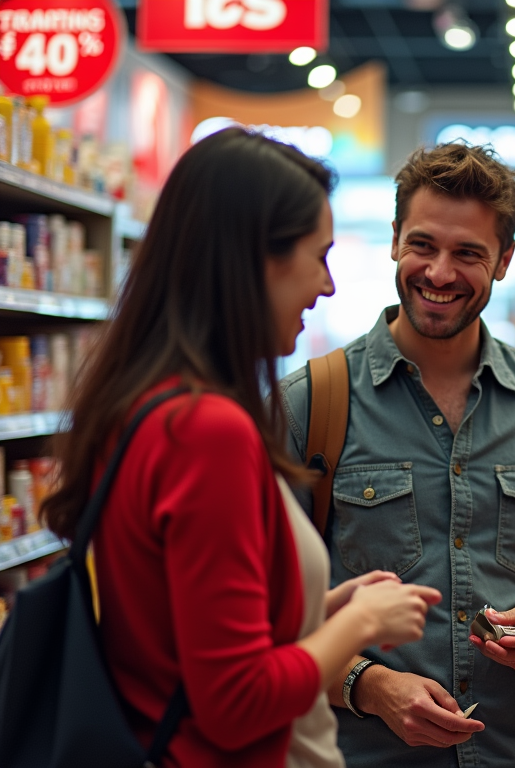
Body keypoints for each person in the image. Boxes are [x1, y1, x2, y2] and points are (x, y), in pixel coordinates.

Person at [39, 128, 441, 768]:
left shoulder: (143, 404)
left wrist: (316, 607)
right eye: (319, 255)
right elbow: (235, 702)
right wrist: (361, 626)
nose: (328, 285)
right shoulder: (207, 432)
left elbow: (176, 630)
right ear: (256, 258)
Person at [279, 142, 515, 768]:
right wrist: (369, 685)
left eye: (468, 253)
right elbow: (269, 613)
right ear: (393, 240)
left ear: (505, 260)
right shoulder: (311, 403)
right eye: (423, 245)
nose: (439, 273)